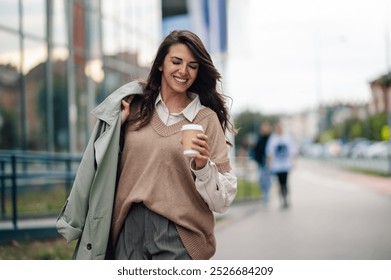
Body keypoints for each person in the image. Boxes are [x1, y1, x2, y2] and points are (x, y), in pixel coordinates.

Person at [56, 30, 237, 260]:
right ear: (161, 63)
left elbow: (223, 201)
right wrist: (116, 131)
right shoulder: (135, 109)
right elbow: (107, 167)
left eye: (192, 65)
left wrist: (202, 166)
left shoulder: (206, 119)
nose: (183, 71)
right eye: (176, 61)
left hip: (179, 235)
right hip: (127, 230)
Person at [266, 122, 297, 208]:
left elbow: (292, 151)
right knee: (280, 183)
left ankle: (286, 198)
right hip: (277, 166)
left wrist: (294, 162)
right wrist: (269, 164)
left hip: (285, 165)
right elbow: (270, 153)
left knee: (285, 182)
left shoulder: (287, 138)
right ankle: (282, 200)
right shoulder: (273, 139)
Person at [253, 121, 272, 203]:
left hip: (269, 163)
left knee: (266, 180)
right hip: (262, 163)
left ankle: (266, 196)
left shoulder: (271, 139)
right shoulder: (260, 139)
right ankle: (265, 194)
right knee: (261, 180)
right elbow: (257, 150)